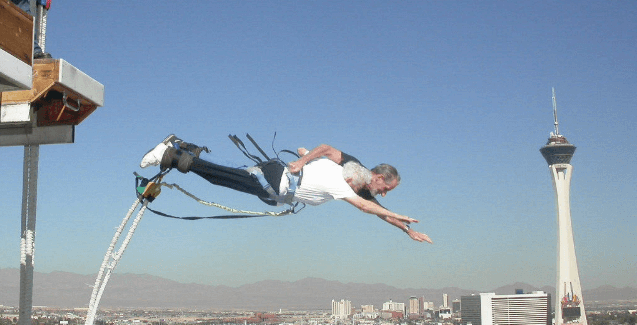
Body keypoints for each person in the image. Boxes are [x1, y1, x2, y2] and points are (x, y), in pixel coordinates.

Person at [140, 135, 433, 243]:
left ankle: (185, 150)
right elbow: (368, 207)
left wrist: (406, 230)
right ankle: (173, 154)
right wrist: (303, 160)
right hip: (277, 180)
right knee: (225, 175)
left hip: (275, 183)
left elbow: (379, 212)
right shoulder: (344, 179)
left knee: (226, 174)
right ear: (378, 177)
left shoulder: (352, 181)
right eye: (386, 189)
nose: (381, 195)